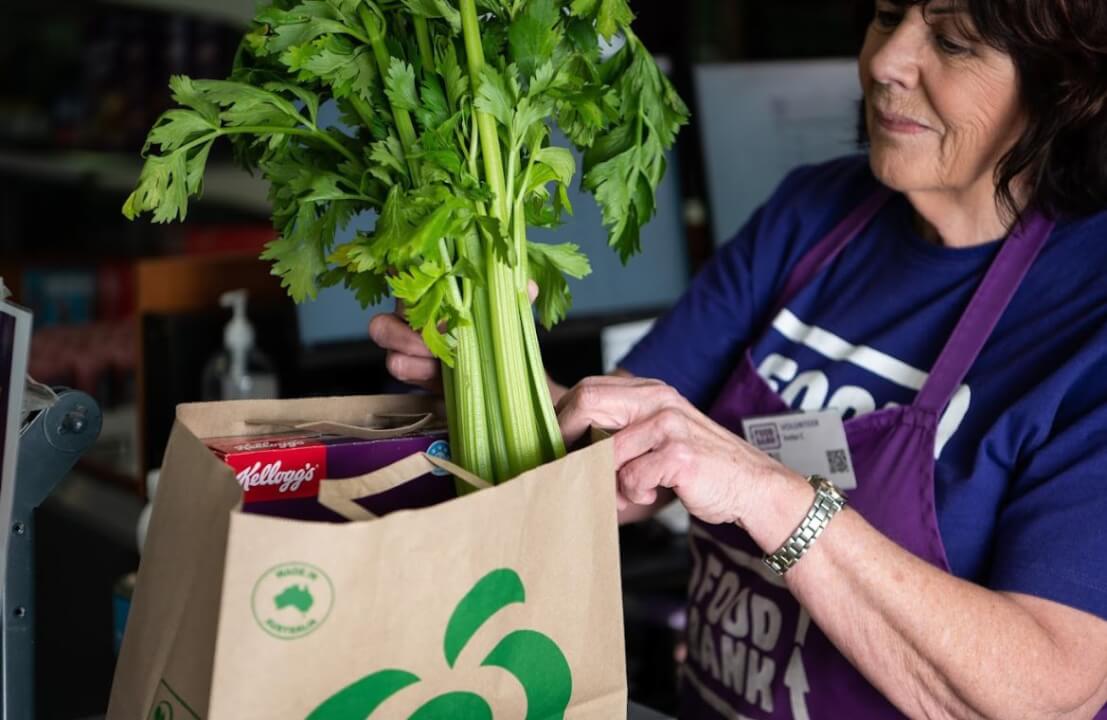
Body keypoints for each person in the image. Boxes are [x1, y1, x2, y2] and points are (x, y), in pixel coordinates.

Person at [370, 1, 1107, 717]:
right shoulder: (814, 215)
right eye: (885, 16)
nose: (884, 61)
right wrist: (497, 378)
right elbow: (625, 466)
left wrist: (767, 495)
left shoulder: (1088, 319)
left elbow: (1050, 695)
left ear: (1067, 83)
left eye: (954, 41)